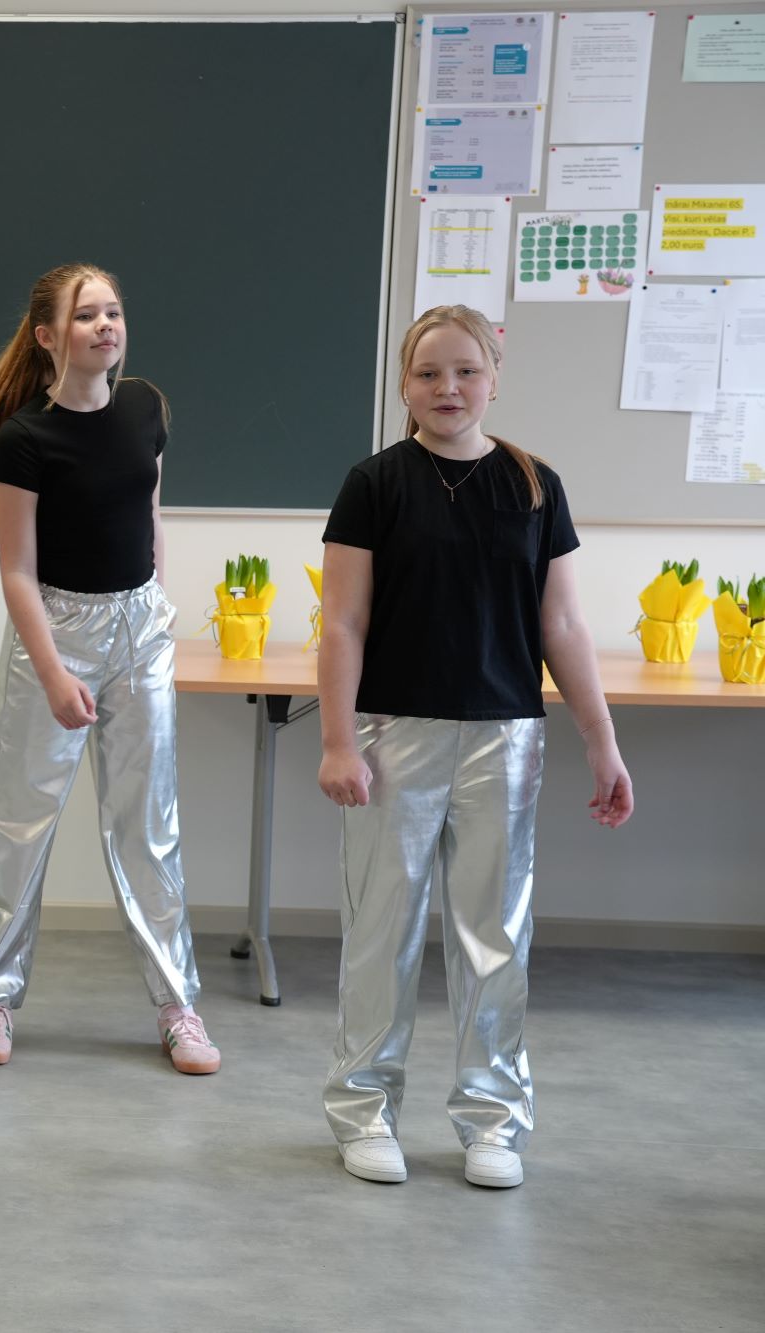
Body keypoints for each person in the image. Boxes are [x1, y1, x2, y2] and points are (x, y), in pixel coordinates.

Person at [317, 303, 633, 1189]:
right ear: (404, 386)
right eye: (428, 373)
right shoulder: (374, 483)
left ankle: (493, 1120)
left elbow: (563, 625)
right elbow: (342, 623)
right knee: (381, 930)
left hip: (506, 737)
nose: (447, 388)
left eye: (465, 371)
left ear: (494, 379)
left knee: (495, 933)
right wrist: (337, 740)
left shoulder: (535, 485)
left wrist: (602, 741)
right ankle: (363, 1110)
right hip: (393, 735)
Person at [0, 263, 219, 1076]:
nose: (105, 325)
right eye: (87, 315)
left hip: (139, 631)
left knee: (148, 826)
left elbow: (150, 514)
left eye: (113, 311)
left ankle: (178, 1005)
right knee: (19, 824)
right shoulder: (26, 438)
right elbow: (17, 571)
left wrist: (157, 607)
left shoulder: (145, 407)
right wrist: (53, 672)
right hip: (55, 631)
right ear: (48, 336)